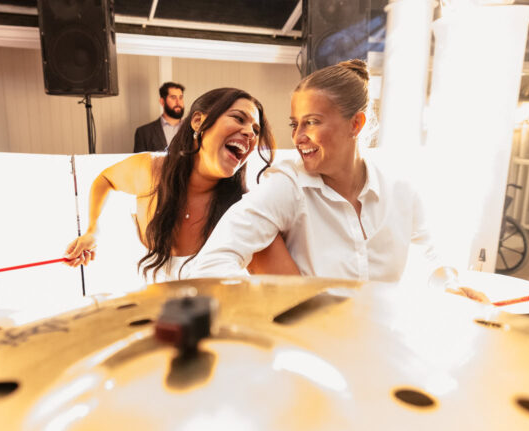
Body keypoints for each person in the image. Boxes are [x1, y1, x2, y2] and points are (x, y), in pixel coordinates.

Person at [187, 60, 486, 301]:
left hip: (382, 342)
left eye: (312, 122)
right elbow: (212, 263)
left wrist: (449, 285)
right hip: (311, 346)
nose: (298, 136)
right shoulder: (287, 185)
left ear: (355, 124)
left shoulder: (400, 188)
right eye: (295, 124)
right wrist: (272, 312)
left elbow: (430, 256)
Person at [65, 87, 297, 281]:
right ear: (197, 121)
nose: (250, 134)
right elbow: (105, 179)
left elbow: (294, 293)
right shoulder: (150, 171)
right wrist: (93, 231)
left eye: (256, 130)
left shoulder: (245, 214)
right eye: (239, 118)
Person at [133, 82, 185, 152]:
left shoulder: (193, 130)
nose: (178, 102)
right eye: (173, 98)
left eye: (181, 98)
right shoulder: (144, 133)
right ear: (162, 102)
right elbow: (139, 159)